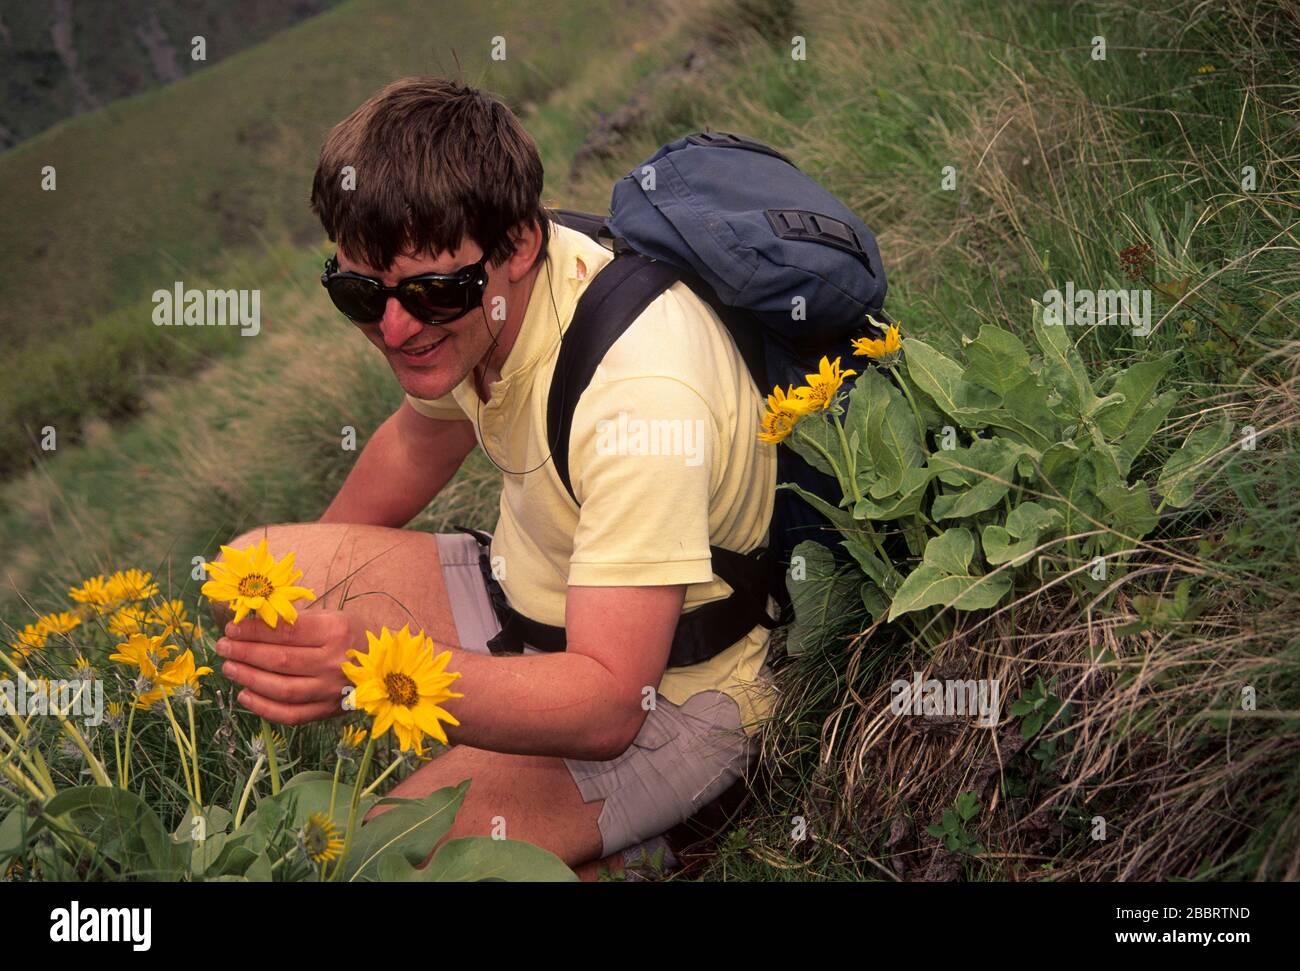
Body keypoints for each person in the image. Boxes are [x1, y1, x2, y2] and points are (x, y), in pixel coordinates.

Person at [210, 76, 778, 879]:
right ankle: (559, 824)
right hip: (530, 598)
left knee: (381, 858)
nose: (396, 329)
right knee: (255, 574)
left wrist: (377, 673)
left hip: (671, 696)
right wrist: (305, 615)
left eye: (432, 293)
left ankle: (672, 830)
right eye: (359, 294)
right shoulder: (485, 309)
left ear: (519, 245)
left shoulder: (642, 392)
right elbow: (413, 446)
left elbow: (612, 702)